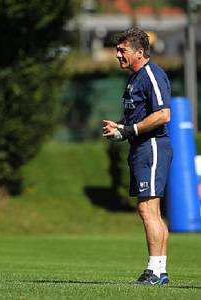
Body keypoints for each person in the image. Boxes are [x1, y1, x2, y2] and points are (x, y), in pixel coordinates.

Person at [102, 28, 172, 285]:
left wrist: (130, 130)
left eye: (123, 50)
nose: (117, 54)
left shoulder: (151, 74)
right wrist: (121, 129)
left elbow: (164, 114)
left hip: (152, 146)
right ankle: (159, 270)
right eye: (117, 50)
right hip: (142, 146)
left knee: (146, 208)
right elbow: (138, 118)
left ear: (140, 53)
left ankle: (154, 271)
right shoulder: (134, 78)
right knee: (151, 209)